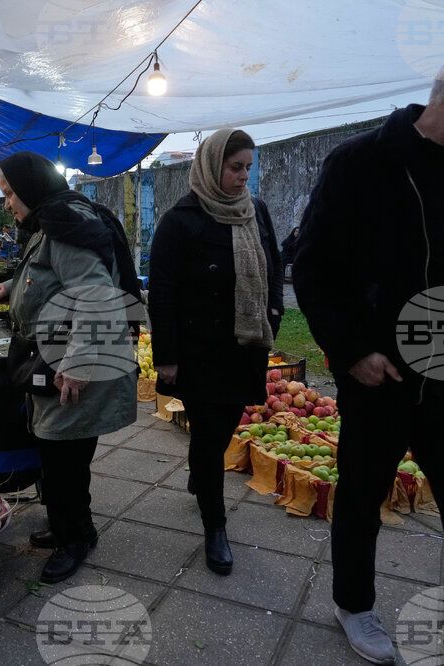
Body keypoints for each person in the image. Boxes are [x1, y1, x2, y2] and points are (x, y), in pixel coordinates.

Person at [292, 35, 444, 664]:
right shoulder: (361, 163)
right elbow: (314, 267)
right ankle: (354, 604)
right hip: (383, 380)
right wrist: (352, 351)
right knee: (361, 497)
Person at [0, 151, 139, 584]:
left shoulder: (65, 227)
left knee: (65, 457)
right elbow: (48, 276)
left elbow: (94, 295)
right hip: (55, 357)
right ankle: (67, 525)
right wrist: (12, 285)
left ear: (31, 188)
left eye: (9, 193)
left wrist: (76, 365)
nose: (7, 203)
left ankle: (77, 537)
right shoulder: (51, 223)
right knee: (58, 453)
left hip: (76, 361)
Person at [148, 129, 283, 576]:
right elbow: (162, 292)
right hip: (199, 349)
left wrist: (272, 319)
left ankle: (198, 472)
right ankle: (215, 526)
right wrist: (166, 356)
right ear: (210, 166)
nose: (244, 176)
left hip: (244, 346)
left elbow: (273, 267)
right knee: (209, 437)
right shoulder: (180, 220)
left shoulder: (255, 211)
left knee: (224, 426)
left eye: (248, 166)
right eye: (234, 167)